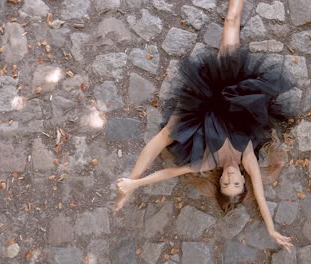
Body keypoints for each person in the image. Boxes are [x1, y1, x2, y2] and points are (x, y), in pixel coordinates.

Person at [115, 0, 293, 252]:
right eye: (236, 184)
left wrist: (133, 184)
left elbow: (168, 172)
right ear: (244, 181)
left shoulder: (208, 162)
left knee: (166, 135)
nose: (230, 179)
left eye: (225, 184)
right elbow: (261, 196)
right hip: (233, 90)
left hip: (202, 104)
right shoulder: (248, 157)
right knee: (232, 22)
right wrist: (271, 228)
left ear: (219, 181)